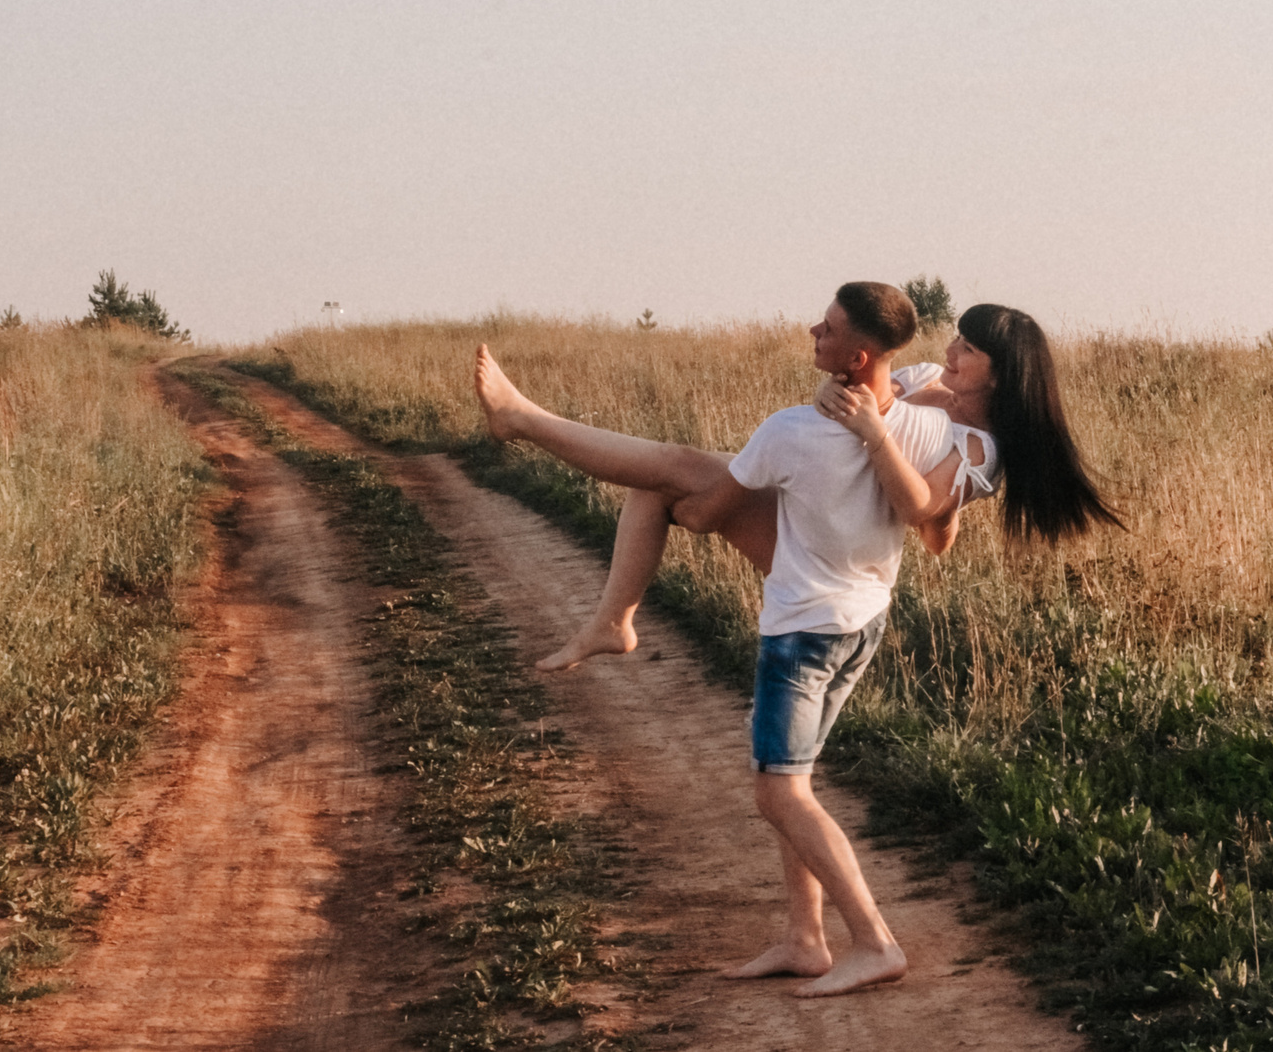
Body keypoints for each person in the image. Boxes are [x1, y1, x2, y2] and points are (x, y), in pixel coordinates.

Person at [469, 287, 1118, 995]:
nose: (950, 352)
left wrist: (874, 436)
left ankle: (873, 941)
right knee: (662, 477)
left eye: (967, 349)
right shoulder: (930, 387)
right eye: (956, 340)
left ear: (999, 374)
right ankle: (804, 935)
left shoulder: (981, 446)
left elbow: (926, 513)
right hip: (833, 570)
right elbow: (906, 477)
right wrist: (856, 404)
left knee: (779, 791)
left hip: (824, 597)